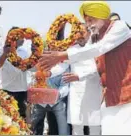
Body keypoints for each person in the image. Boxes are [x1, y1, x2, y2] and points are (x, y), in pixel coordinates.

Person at [38, 1, 131, 135]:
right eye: (86, 21)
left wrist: (62, 55)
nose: (88, 25)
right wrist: (50, 68)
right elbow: (88, 59)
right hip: (109, 96)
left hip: (126, 95)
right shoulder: (94, 37)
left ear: (102, 17)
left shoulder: (120, 27)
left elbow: (99, 48)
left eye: (90, 20)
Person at [63, 25, 102, 135]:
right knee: (76, 127)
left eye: (82, 32)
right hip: (76, 94)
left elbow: (97, 69)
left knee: (94, 127)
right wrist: (49, 72)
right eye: (76, 32)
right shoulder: (71, 50)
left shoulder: (96, 47)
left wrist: (79, 76)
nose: (79, 35)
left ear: (89, 32)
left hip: (93, 92)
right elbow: (61, 65)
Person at [31, 27, 70, 135]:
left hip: (57, 102)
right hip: (40, 102)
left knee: (62, 129)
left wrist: (55, 95)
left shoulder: (64, 64)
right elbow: (31, 79)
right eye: (48, 49)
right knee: (32, 127)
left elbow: (65, 86)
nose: (50, 51)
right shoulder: (39, 63)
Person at [0, 26, 31, 118]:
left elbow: (31, 67)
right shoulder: (1, 50)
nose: (23, 39)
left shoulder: (24, 51)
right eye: (20, 36)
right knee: (5, 119)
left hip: (21, 91)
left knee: (20, 119)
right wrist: (5, 54)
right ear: (13, 37)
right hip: (6, 90)